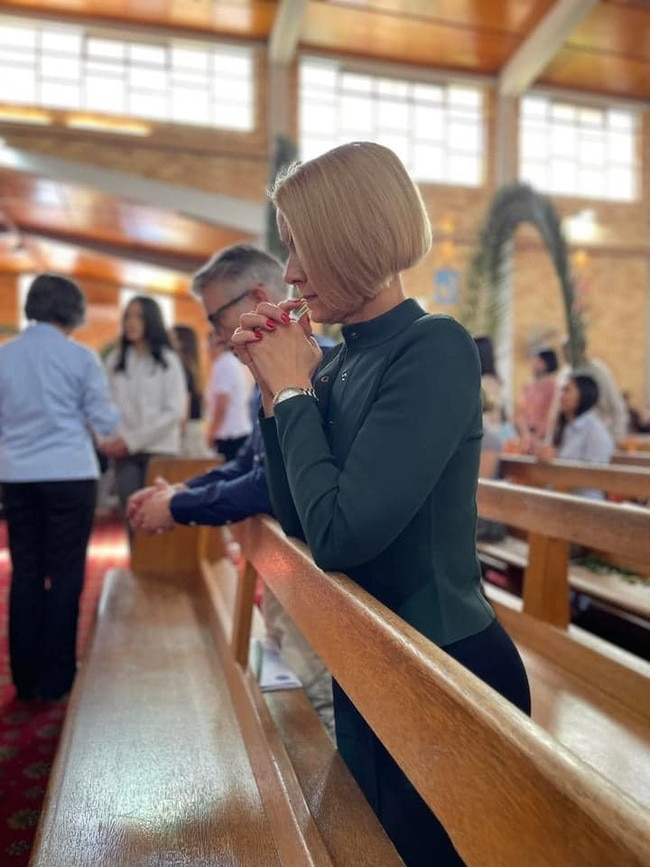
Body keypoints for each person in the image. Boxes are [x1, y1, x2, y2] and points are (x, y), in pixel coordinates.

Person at [231, 141, 531, 866]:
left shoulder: (434, 347)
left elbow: (341, 535)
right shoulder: (337, 360)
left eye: (304, 247)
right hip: (367, 654)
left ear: (354, 240)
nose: (291, 271)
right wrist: (276, 392)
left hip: (447, 669)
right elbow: (299, 520)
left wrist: (297, 389)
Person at [126, 244, 335, 739]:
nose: (216, 336)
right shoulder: (263, 376)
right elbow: (247, 463)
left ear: (259, 296)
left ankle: (340, 817)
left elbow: (268, 487)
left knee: (321, 697)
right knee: (301, 682)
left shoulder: (315, 368)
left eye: (216, 318)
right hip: (290, 569)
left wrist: (177, 505)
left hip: (323, 578)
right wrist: (182, 489)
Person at [0, 273, 121, 701]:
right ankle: (58, 678)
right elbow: (104, 420)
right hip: (70, 472)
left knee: (26, 573)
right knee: (66, 573)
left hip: (16, 475)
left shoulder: (4, 356)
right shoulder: (81, 358)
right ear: (73, 310)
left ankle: (25, 678)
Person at [102, 295, 186, 543]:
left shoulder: (168, 361)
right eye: (127, 316)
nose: (131, 322)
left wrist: (131, 440)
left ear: (151, 320)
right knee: (133, 519)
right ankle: (136, 575)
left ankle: (160, 577)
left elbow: (174, 411)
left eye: (137, 316)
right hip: (123, 452)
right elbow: (106, 405)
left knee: (159, 519)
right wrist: (110, 440)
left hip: (160, 450)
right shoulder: (115, 361)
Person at [536, 373, 615, 499]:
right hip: (561, 497)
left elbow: (596, 476)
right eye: (562, 390)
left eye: (567, 390)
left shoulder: (596, 431)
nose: (561, 396)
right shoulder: (563, 427)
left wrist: (555, 461)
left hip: (585, 502)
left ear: (584, 394)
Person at [559, 335, 627, 444]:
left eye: (568, 350)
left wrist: (616, 438)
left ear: (581, 350)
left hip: (596, 432)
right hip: (572, 435)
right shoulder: (565, 373)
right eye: (563, 351)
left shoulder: (599, 371)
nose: (565, 355)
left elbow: (616, 407)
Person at [204, 329, 253, 461]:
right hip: (239, 431)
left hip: (229, 435)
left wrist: (211, 434)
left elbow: (222, 405)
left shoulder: (223, 365)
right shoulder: (232, 362)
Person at [170, 323, 210, 458]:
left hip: (188, 429)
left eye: (172, 338)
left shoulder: (181, 368)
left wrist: (180, 431)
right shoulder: (192, 367)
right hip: (195, 426)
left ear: (182, 342)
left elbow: (185, 402)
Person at [515, 347, 559, 453]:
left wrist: (537, 436)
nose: (534, 363)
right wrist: (525, 433)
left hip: (541, 437)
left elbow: (550, 415)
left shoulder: (552, 387)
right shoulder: (528, 386)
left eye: (538, 360)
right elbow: (520, 411)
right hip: (525, 434)